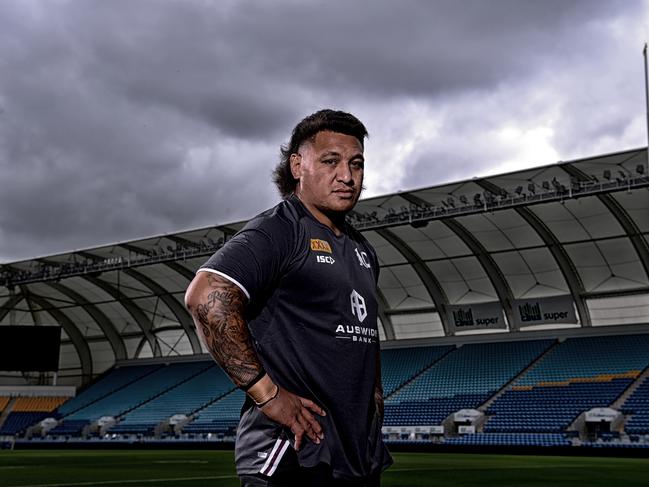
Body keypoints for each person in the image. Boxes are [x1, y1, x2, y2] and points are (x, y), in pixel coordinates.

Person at [185, 109, 392, 486]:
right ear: (298, 165)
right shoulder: (279, 231)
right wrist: (268, 395)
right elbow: (206, 296)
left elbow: (363, 330)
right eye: (330, 161)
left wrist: (374, 395)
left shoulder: (363, 250)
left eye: (356, 164)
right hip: (291, 453)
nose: (347, 176)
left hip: (355, 454)